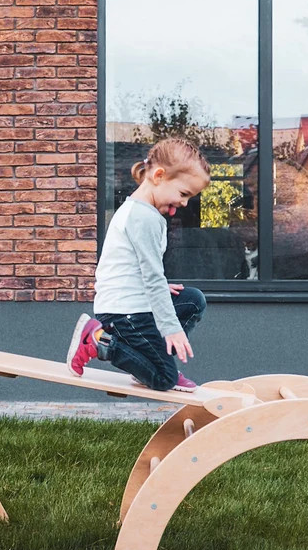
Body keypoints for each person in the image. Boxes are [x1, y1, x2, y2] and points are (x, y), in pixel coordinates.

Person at [67, 137, 211, 392]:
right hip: (124, 313)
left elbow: (135, 266)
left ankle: (148, 362)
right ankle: (101, 340)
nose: (185, 203)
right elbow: (152, 277)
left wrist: (157, 287)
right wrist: (171, 329)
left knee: (192, 301)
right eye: (183, 193)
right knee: (164, 380)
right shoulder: (144, 218)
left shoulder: (140, 210)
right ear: (158, 176)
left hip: (131, 304)